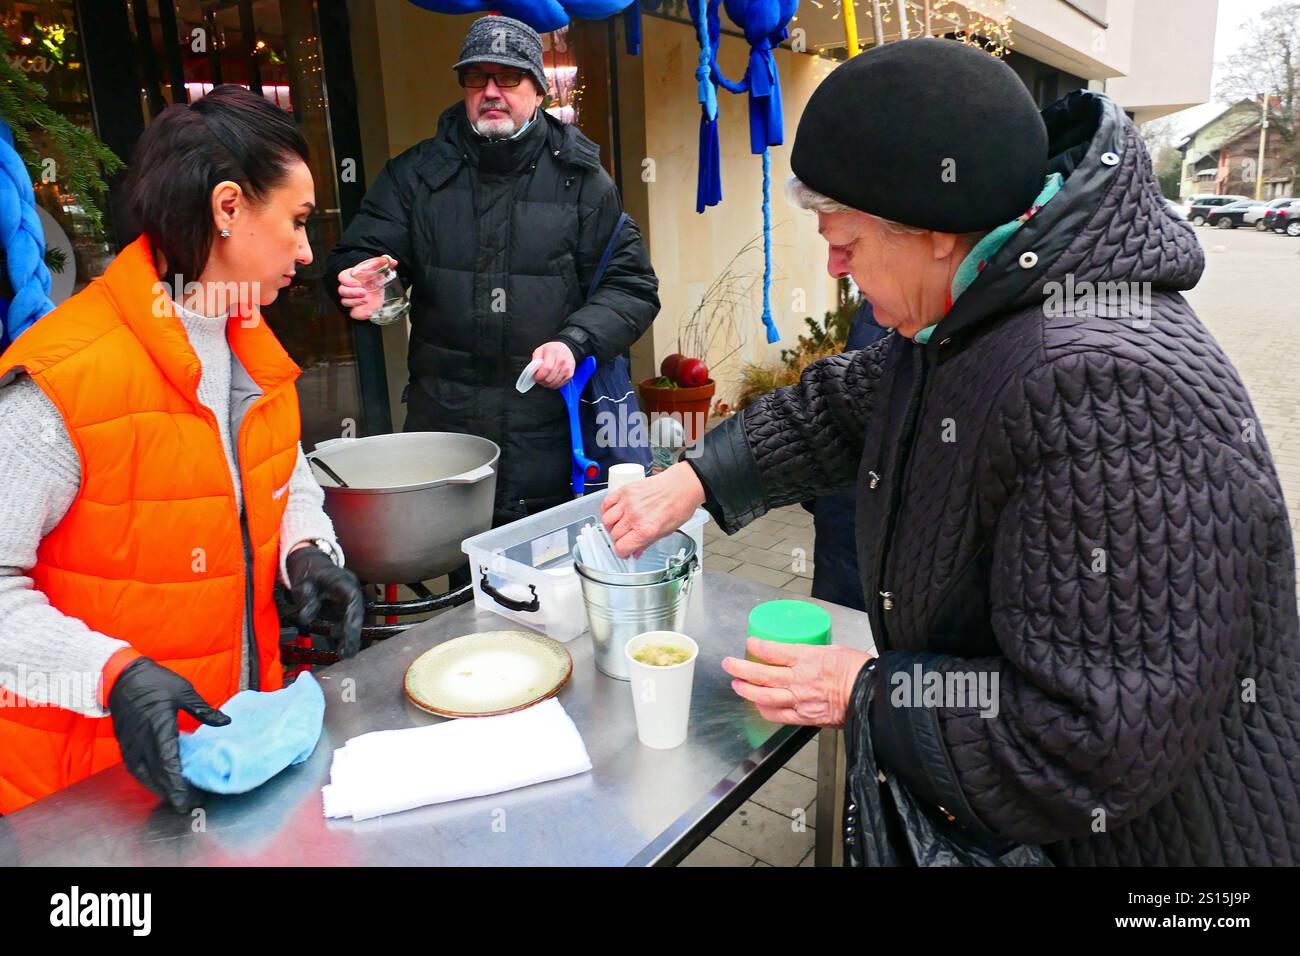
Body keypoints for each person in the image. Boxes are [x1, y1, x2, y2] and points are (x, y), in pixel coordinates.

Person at [601, 39, 1300, 865]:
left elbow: (1084, 739)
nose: (832, 266)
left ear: (933, 231)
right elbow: (851, 404)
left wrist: (865, 692)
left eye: (845, 242)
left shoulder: (1101, 390)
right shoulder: (984, 306)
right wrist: (694, 477)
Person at [0, 85, 364, 816]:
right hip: (85, 798)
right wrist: (111, 675)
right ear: (228, 208)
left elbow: (281, 481)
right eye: (295, 222)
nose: (305, 249)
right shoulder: (61, 381)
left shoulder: (252, 346)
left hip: (228, 758)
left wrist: (306, 551)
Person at [326, 15, 659, 531]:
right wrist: (358, 277)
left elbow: (633, 286)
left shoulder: (583, 181)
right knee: (464, 577)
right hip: (449, 433)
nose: (490, 92)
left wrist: (574, 342)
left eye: (507, 77)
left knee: (550, 583)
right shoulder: (416, 175)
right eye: (476, 78)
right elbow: (363, 252)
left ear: (538, 88)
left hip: (549, 431)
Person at [801, 298, 888, 610]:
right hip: (843, 526)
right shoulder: (878, 306)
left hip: (905, 551)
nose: (835, 268)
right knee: (837, 622)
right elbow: (846, 399)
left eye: (852, 245)